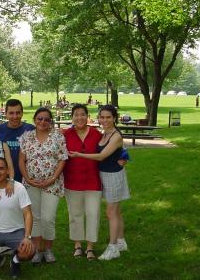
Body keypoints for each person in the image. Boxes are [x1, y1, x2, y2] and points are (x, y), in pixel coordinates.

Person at [69, 105, 130, 261]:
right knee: (116, 211)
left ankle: (113, 247)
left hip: (113, 176)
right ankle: (121, 241)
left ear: (115, 118)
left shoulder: (113, 135)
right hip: (103, 175)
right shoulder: (104, 133)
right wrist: (125, 156)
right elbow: (122, 149)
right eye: (102, 117)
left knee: (111, 212)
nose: (104, 120)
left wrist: (78, 155)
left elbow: (102, 155)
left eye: (108, 117)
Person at [19, 108, 68, 264]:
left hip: (52, 184)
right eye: (39, 118)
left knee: (48, 218)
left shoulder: (57, 136)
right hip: (31, 183)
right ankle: (37, 250)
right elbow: (22, 160)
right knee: (35, 218)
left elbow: (62, 159)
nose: (42, 122)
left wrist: (52, 178)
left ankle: (48, 249)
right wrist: (27, 178)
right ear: (34, 120)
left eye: (46, 119)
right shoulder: (27, 136)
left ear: (50, 121)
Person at [63, 104, 102, 261]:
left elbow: (108, 150)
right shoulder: (66, 134)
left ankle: (90, 247)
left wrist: (122, 158)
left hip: (93, 181)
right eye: (76, 115)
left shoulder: (96, 134)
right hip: (72, 181)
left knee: (93, 214)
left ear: (87, 116)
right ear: (72, 117)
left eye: (82, 114)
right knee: (75, 214)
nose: (79, 118)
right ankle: (78, 245)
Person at [0, 99, 35, 182]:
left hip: (27, 177)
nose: (15, 116)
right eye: (11, 113)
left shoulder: (31, 129)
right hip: (4, 177)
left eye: (18, 113)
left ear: (22, 113)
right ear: (6, 114)